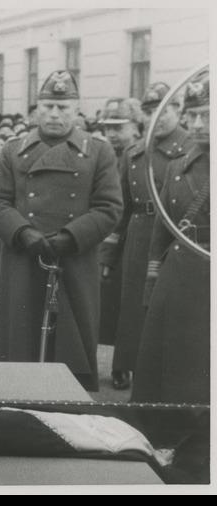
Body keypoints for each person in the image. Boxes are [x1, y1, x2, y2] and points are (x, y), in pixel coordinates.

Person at [0, 70, 123, 391]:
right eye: (47, 106)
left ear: (77, 110)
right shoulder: (13, 149)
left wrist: (71, 237)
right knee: (22, 337)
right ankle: (17, 400)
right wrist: (23, 233)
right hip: (23, 258)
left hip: (73, 258)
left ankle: (70, 402)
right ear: (36, 109)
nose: (55, 114)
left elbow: (109, 207)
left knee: (72, 340)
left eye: (63, 107)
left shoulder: (99, 151)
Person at [105, 83, 194, 390]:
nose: (155, 116)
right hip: (140, 232)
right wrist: (110, 253)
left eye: (163, 109)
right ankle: (124, 364)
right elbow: (121, 207)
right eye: (148, 110)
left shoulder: (193, 147)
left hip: (177, 232)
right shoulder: (134, 152)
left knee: (168, 300)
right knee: (132, 303)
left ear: (178, 111)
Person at [133, 70, 209, 405]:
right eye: (192, 115)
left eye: (206, 116)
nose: (196, 124)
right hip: (178, 277)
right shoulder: (178, 166)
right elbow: (162, 229)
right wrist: (153, 282)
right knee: (172, 365)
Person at [96, 98, 144, 351]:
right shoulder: (102, 154)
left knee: (127, 303)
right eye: (108, 128)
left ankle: (122, 363)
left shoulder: (140, 154)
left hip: (130, 239)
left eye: (118, 127)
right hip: (104, 239)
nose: (112, 134)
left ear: (136, 126)